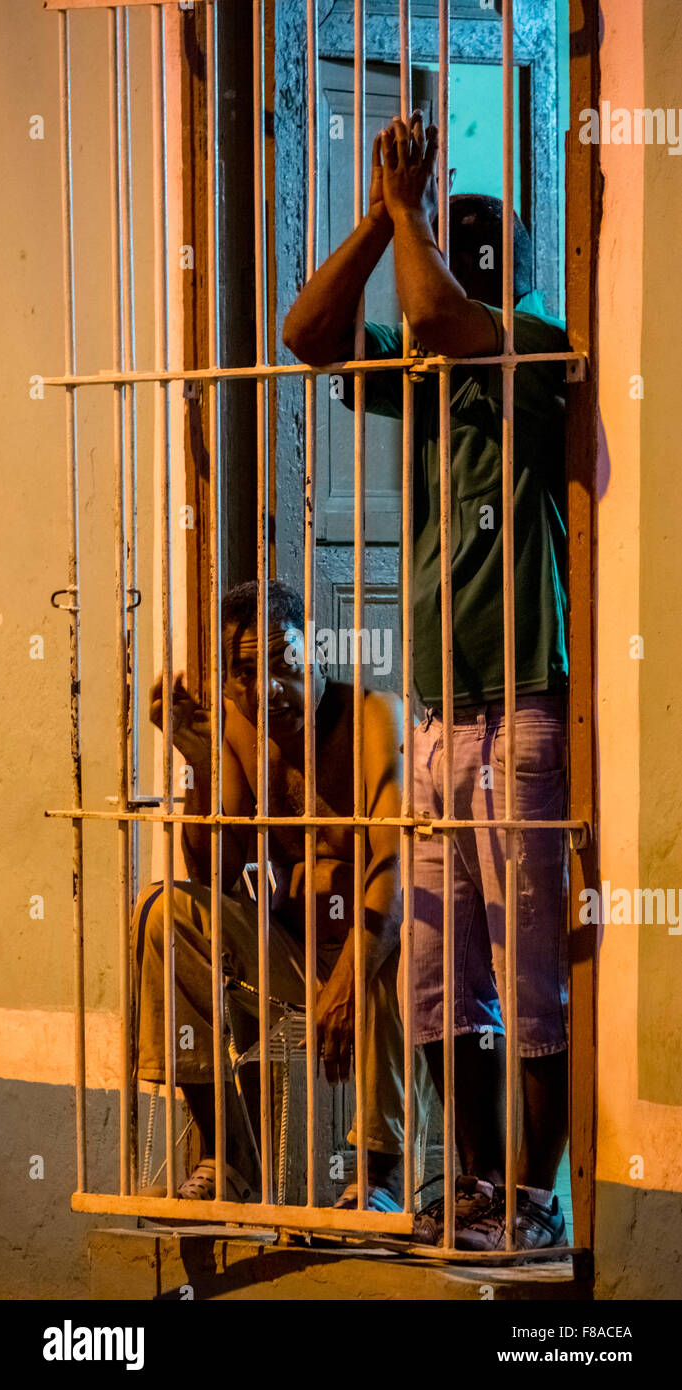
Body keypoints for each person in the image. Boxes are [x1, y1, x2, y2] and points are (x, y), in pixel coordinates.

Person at [283, 112, 571, 1250]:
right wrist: (373, 215)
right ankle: (467, 1188)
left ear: (490, 261)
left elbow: (435, 313)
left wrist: (410, 221)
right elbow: (307, 336)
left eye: (451, 238)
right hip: (438, 714)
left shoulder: (529, 344)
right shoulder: (415, 376)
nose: (432, 252)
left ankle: (536, 1197)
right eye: (431, 232)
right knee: (440, 981)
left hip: (520, 708)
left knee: (532, 977)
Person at [132, 579, 422, 1212]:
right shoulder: (238, 730)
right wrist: (200, 760)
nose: (269, 688)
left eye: (285, 665)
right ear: (230, 684)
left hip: (373, 951)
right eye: (246, 673)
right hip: (289, 949)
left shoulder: (374, 715)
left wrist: (348, 976)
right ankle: (227, 1159)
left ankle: (379, 1176)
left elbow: (394, 860)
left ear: (317, 654)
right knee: (166, 911)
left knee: (385, 934)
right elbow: (218, 870)